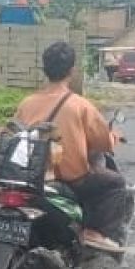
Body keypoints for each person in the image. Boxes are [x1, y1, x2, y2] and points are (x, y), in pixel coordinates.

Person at [15, 41, 126, 254]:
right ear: (71, 71)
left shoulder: (26, 103)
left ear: (44, 69)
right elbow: (102, 143)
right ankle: (93, 231)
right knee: (116, 183)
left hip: (31, 176)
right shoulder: (80, 105)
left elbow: (14, 133)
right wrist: (114, 138)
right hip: (69, 180)